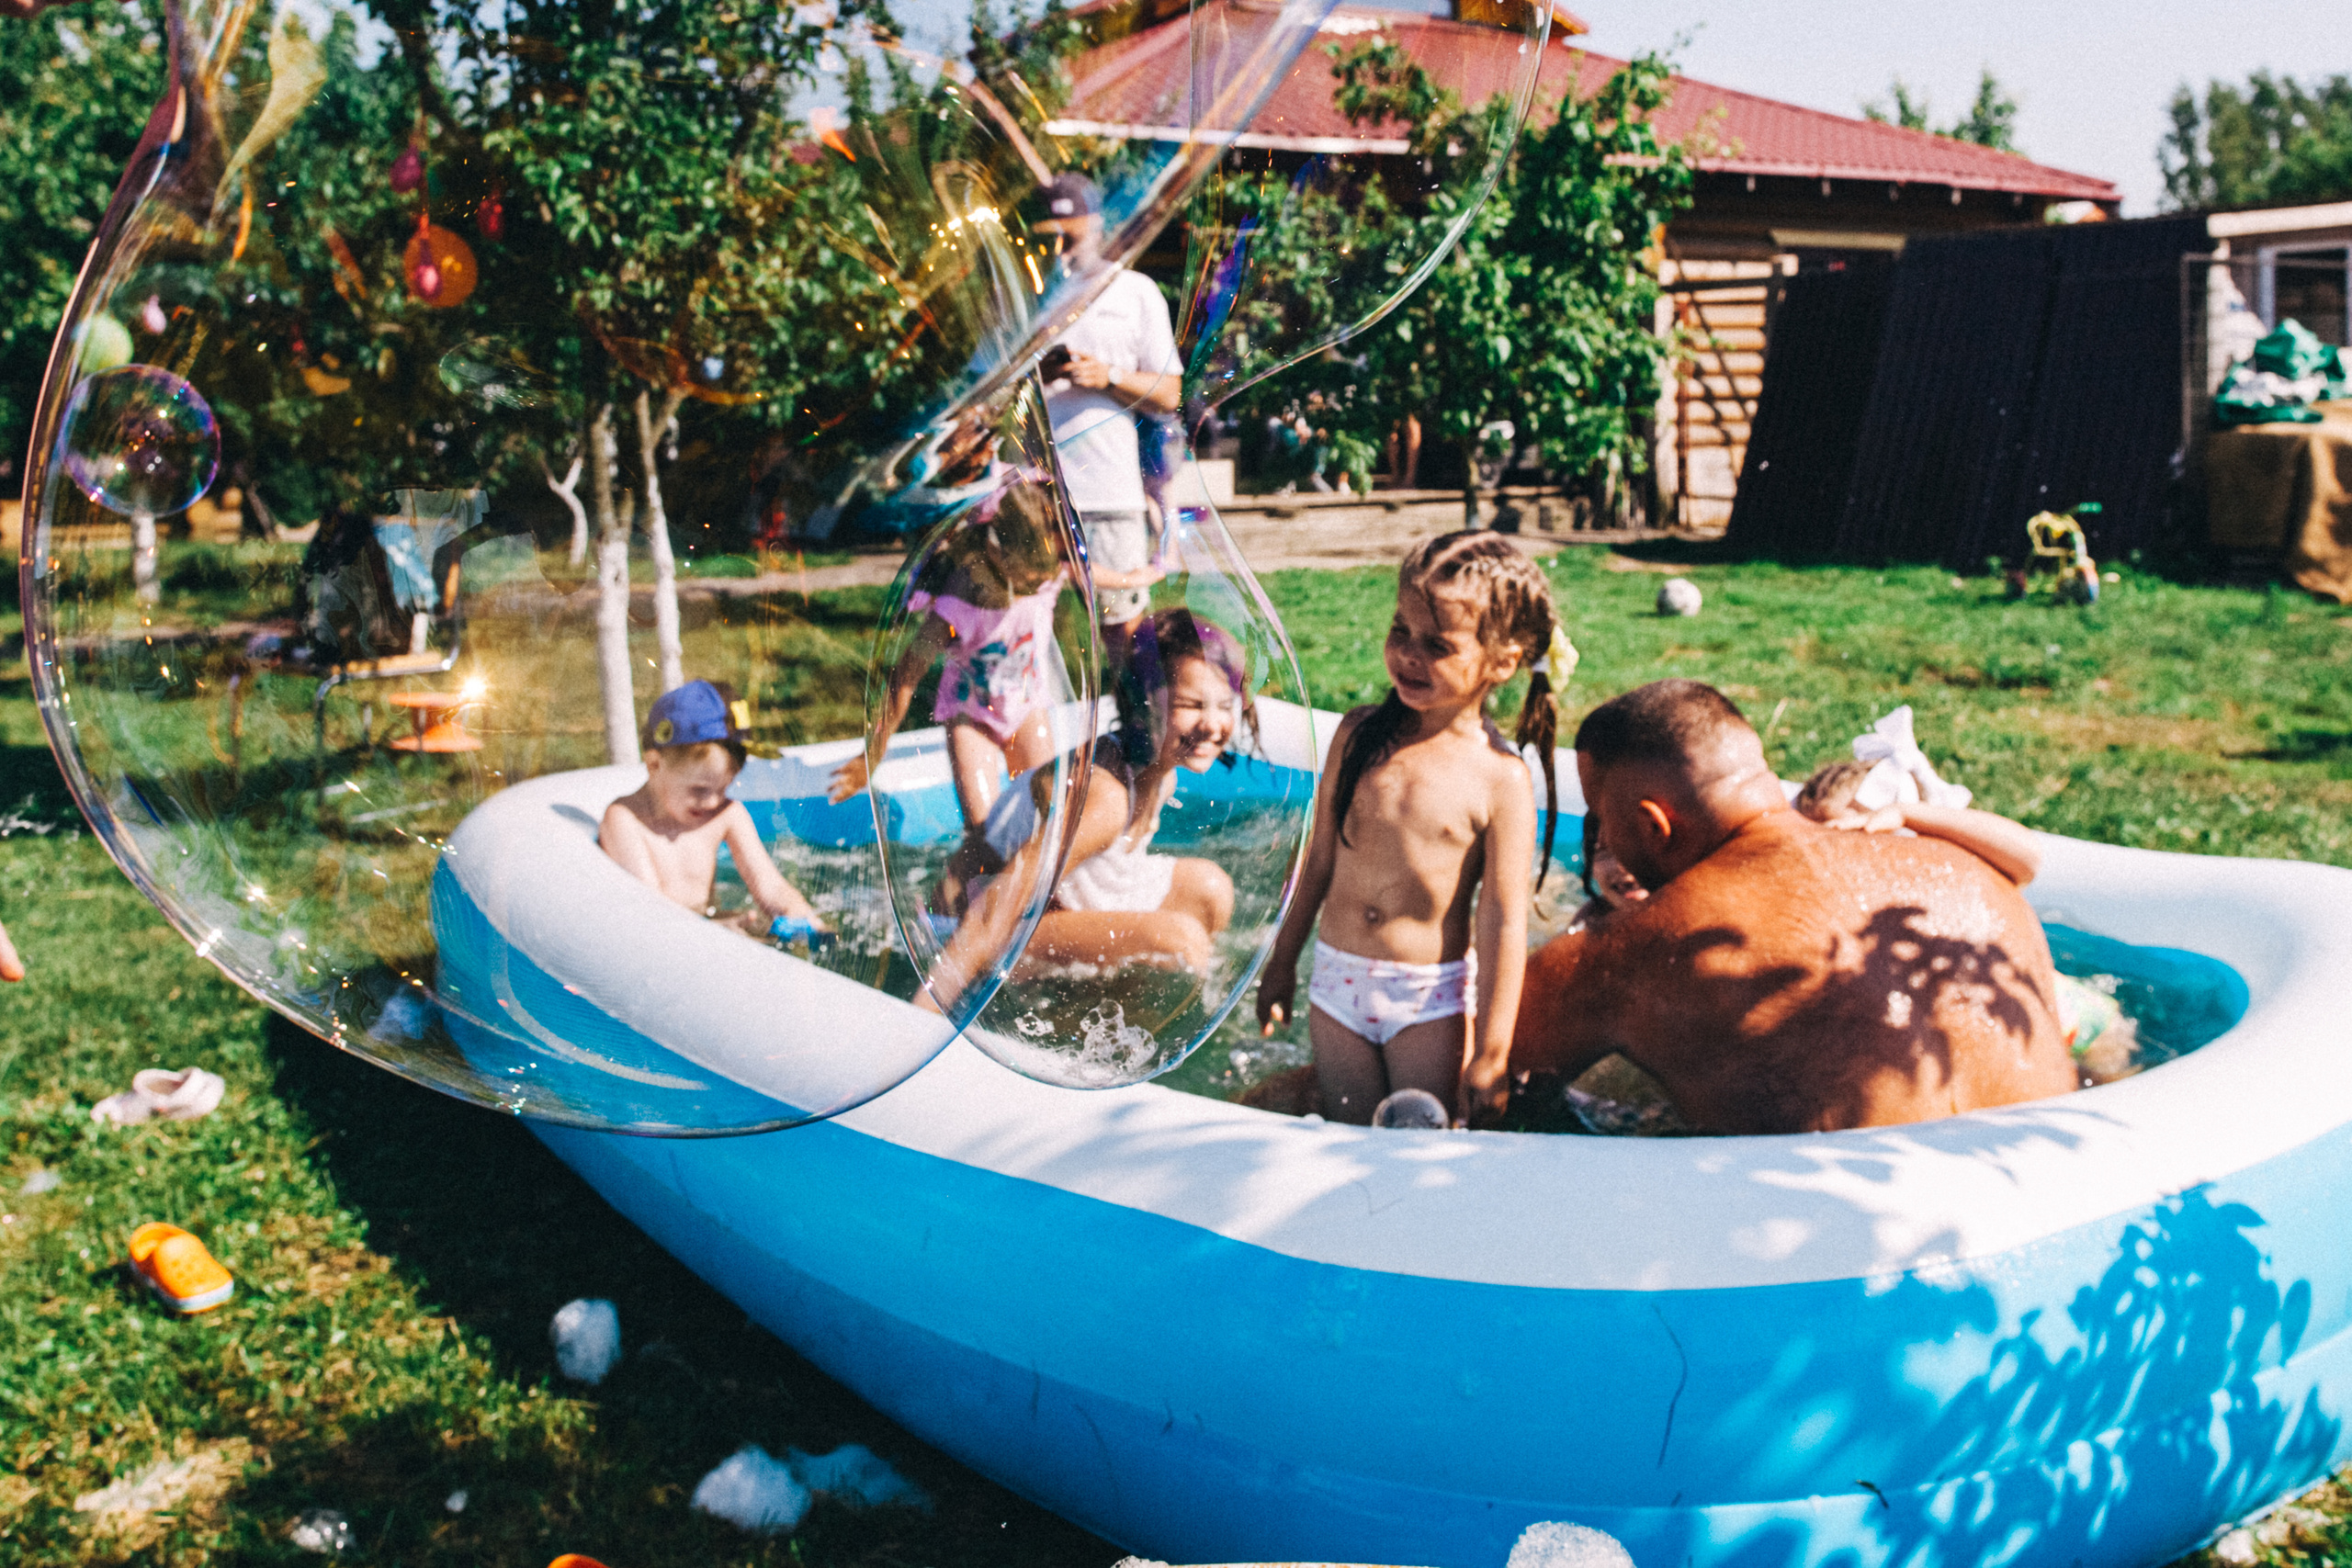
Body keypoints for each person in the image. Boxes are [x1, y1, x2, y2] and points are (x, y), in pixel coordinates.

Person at [1505, 680, 2077, 1133]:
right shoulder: (1975, 878)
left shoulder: (1643, 945)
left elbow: (1483, 1069)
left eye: (1602, 820)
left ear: (1653, 825)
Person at [1256, 532, 1572, 1127]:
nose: (1408, 653)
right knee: (1348, 1136)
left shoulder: (1498, 778)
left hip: (1426, 998)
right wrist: (1282, 960)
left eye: (1437, 644)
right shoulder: (1357, 736)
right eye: (1400, 630)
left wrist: (1492, 1051)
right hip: (1335, 983)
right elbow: (1318, 859)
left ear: (1503, 662)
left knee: (1424, 1142)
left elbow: (1503, 921)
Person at [919, 608, 1241, 1013]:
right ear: (1143, 702)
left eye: (1224, 705)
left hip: (1042, 913)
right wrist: (927, 1009)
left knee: (1210, 891)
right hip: (968, 924)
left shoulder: (1161, 772)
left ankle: (1106, 1009)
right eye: (1191, 704)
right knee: (1179, 941)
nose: (1212, 724)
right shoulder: (1107, 798)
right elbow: (1001, 898)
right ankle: (1088, 1028)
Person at [1792, 758, 2136, 1082]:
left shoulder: (1954, 870)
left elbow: (2028, 855)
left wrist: (1906, 814)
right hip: (1962, 1021)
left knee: (2103, 1084)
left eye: (1864, 836)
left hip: (2068, 1015)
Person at [827, 483, 1069, 866]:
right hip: (970, 714)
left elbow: (1095, 573)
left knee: (1050, 818)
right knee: (985, 837)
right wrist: (872, 754)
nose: (1037, 585)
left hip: (1027, 707)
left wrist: (1146, 573)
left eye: (1045, 573)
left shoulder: (1047, 570)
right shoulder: (954, 608)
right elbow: (904, 677)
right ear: (995, 551)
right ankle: (968, 896)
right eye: (1026, 578)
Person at [1033, 175, 1181, 648]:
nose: (1059, 247)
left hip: (1110, 492)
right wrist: (1039, 377)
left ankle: (1131, 722)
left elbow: (1169, 394)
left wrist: (1108, 376)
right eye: (1048, 235)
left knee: (1124, 636)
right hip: (1035, 501)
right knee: (1040, 641)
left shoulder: (1134, 292)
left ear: (1097, 226)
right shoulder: (1025, 297)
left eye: (1069, 234)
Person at [602, 681, 824, 944]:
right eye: (700, 789)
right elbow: (651, 917)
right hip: (662, 943)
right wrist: (714, 933)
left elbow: (772, 886)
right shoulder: (625, 820)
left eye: (724, 788)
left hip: (706, 926)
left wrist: (799, 913)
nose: (711, 803)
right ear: (654, 764)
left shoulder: (726, 814)